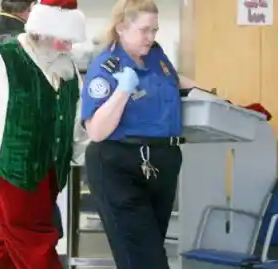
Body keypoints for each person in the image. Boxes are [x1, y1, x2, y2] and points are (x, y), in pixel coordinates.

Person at [0, 0, 86, 267]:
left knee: (7, 245)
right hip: (11, 172)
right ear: (44, 30)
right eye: (65, 39)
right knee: (36, 244)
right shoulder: (3, 59)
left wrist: (80, 154)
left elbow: (74, 120)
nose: (70, 46)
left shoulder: (67, 68)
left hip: (48, 173)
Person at [81, 0, 198, 268]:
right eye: (144, 30)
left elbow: (172, 79)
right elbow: (96, 131)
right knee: (147, 260)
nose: (151, 37)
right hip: (120, 164)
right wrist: (122, 91)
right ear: (121, 27)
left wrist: (212, 96)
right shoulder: (106, 67)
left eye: (155, 30)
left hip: (160, 163)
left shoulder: (155, 54)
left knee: (148, 252)